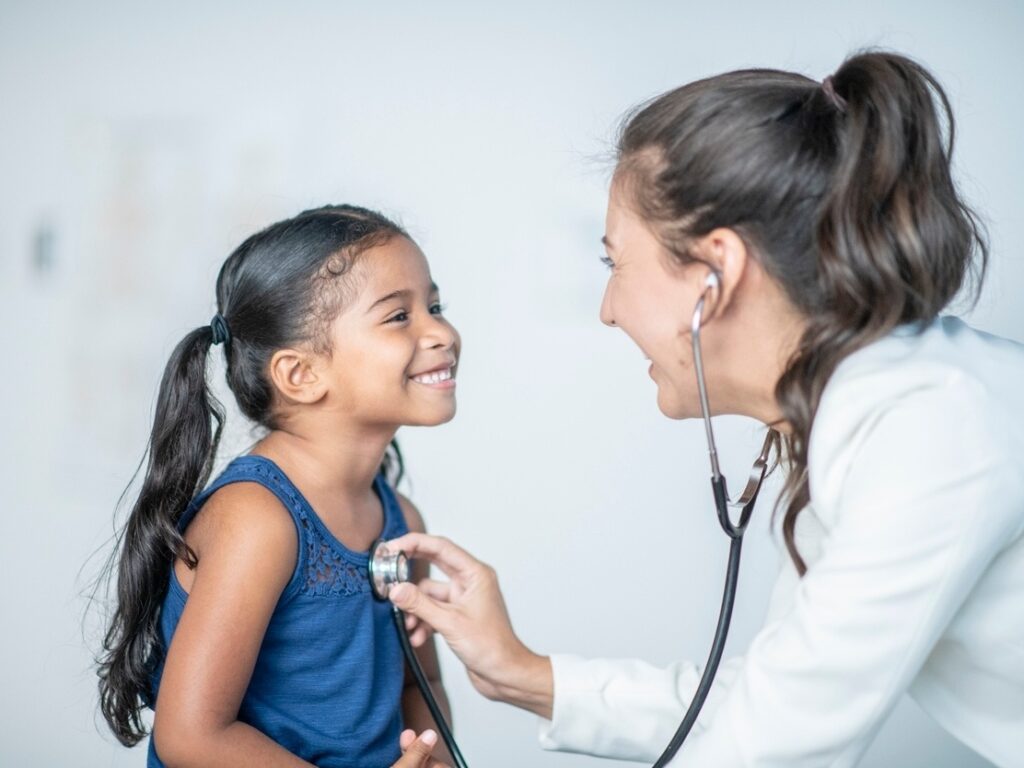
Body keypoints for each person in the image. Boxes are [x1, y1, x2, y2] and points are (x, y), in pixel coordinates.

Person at [383, 51, 1024, 767]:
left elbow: (769, 748)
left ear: (715, 273)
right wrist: (521, 673)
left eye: (613, 263)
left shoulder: (932, 429)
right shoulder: (871, 412)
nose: (608, 311)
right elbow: (773, 699)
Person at [96, 205, 460, 767]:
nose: (442, 331)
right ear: (301, 374)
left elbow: (420, 684)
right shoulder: (256, 520)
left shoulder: (402, 522)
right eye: (399, 317)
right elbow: (192, 736)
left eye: (434, 307)